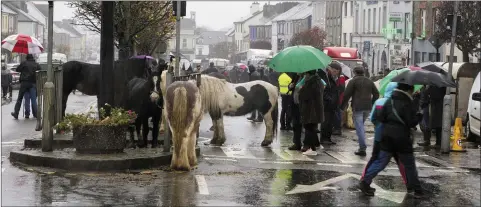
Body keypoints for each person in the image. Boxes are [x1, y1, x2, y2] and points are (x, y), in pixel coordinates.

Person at [359, 83, 424, 198]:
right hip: (402, 139)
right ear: (409, 89)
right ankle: (417, 189)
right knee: (409, 164)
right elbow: (411, 122)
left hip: (387, 136)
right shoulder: (407, 103)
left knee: (381, 162)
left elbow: (380, 118)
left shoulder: (389, 101)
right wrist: (419, 116)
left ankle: (365, 182)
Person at [341, 66, 380, 156]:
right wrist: (372, 103)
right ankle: (361, 147)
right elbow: (376, 93)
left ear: (354, 72)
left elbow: (346, 94)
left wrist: (342, 106)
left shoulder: (353, 81)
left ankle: (362, 148)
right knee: (360, 126)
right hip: (368, 107)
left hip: (357, 107)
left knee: (359, 128)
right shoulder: (369, 81)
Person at [298, 70, 323, 155]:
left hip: (311, 109)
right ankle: (313, 146)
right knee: (311, 127)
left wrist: (301, 90)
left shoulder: (311, 83)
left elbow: (305, 96)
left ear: (308, 74)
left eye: (306, 74)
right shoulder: (317, 81)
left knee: (309, 127)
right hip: (314, 109)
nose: (305, 76)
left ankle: (308, 146)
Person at [11, 54, 40, 119]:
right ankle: (36, 114)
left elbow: (18, 69)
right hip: (32, 83)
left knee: (20, 99)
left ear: (26, 58)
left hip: (24, 83)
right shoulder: (36, 64)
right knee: (33, 100)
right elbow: (40, 70)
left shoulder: (24, 63)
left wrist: (22, 67)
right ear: (32, 58)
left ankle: (16, 113)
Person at [319, 63, 342, 145]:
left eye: (337, 72)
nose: (336, 73)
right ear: (330, 69)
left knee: (330, 122)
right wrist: (330, 99)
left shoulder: (333, 79)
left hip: (333, 105)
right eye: (335, 71)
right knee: (326, 122)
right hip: (327, 104)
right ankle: (324, 138)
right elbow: (324, 92)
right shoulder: (325, 78)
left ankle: (328, 138)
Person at [288, 73, 303, 151]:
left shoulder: (307, 78)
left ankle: (308, 145)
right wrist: (290, 86)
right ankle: (297, 143)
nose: (297, 72)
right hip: (295, 104)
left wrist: (302, 88)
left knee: (307, 126)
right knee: (295, 124)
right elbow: (291, 85)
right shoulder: (296, 76)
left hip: (303, 105)